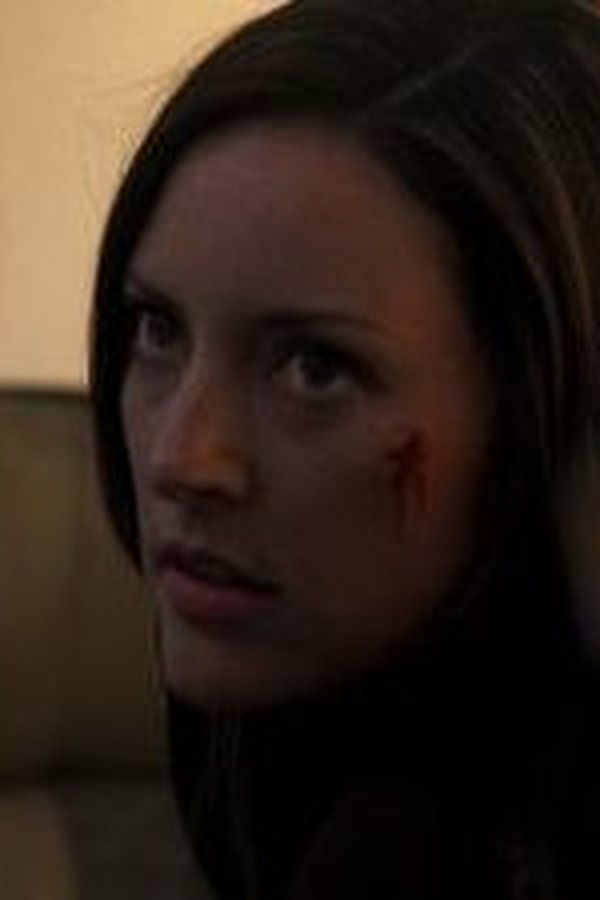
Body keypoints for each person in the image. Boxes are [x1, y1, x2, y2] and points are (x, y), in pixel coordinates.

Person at [89, 0, 600, 897]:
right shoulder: (304, 761)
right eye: (158, 328)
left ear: (551, 406)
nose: (180, 461)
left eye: (315, 368)